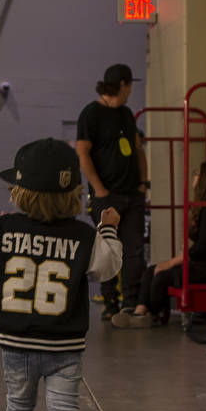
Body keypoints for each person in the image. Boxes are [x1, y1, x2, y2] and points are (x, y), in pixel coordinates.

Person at [0, 138, 122, 411]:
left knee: (19, 401)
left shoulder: (2, 229)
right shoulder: (84, 235)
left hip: (16, 340)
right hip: (64, 343)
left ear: (19, 192)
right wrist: (109, 230)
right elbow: (108, 267)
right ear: (73, 194)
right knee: (65, 406)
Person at [112, 161, 206, 328]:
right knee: (153, 270)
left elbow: (202, 248)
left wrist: (173, 262)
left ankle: (150, 314)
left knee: (162, 275)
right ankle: (140, 312)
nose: (194, 176)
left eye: (197, 173)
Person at [75, 63, 148, 321]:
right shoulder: (91, 114)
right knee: (107, 249)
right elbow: (82, 152)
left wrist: (143, 183)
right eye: (129, 86)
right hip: (107, 196)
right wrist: (100, 190)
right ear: (122, 86)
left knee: (134, 250)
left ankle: (129, 303)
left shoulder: (127, 115)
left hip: (132, 194)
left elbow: (138, 149)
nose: (130, 91)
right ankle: (110, 303)